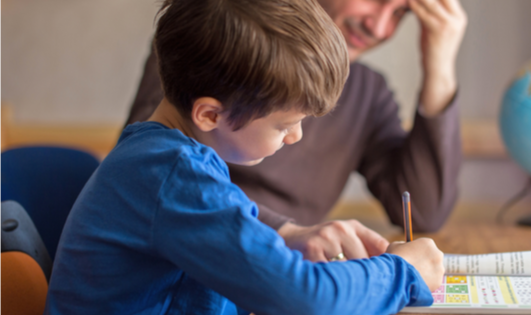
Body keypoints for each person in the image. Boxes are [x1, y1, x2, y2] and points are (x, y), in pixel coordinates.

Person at [45, 0, 445, 314]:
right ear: (210, 115)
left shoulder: (168, 159)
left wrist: (289, 247)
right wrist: (402, 272)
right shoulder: (175, 176)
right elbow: (306, 300)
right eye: (284, 124)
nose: (296, 137)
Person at [126, 0, 467, 263]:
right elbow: (149, 172)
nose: (378, 26)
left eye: (400, 13)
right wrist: (285, 232)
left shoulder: (368, 92)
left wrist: (439, 67)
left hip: (274, 275)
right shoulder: (215, 39)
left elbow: (422, 212)